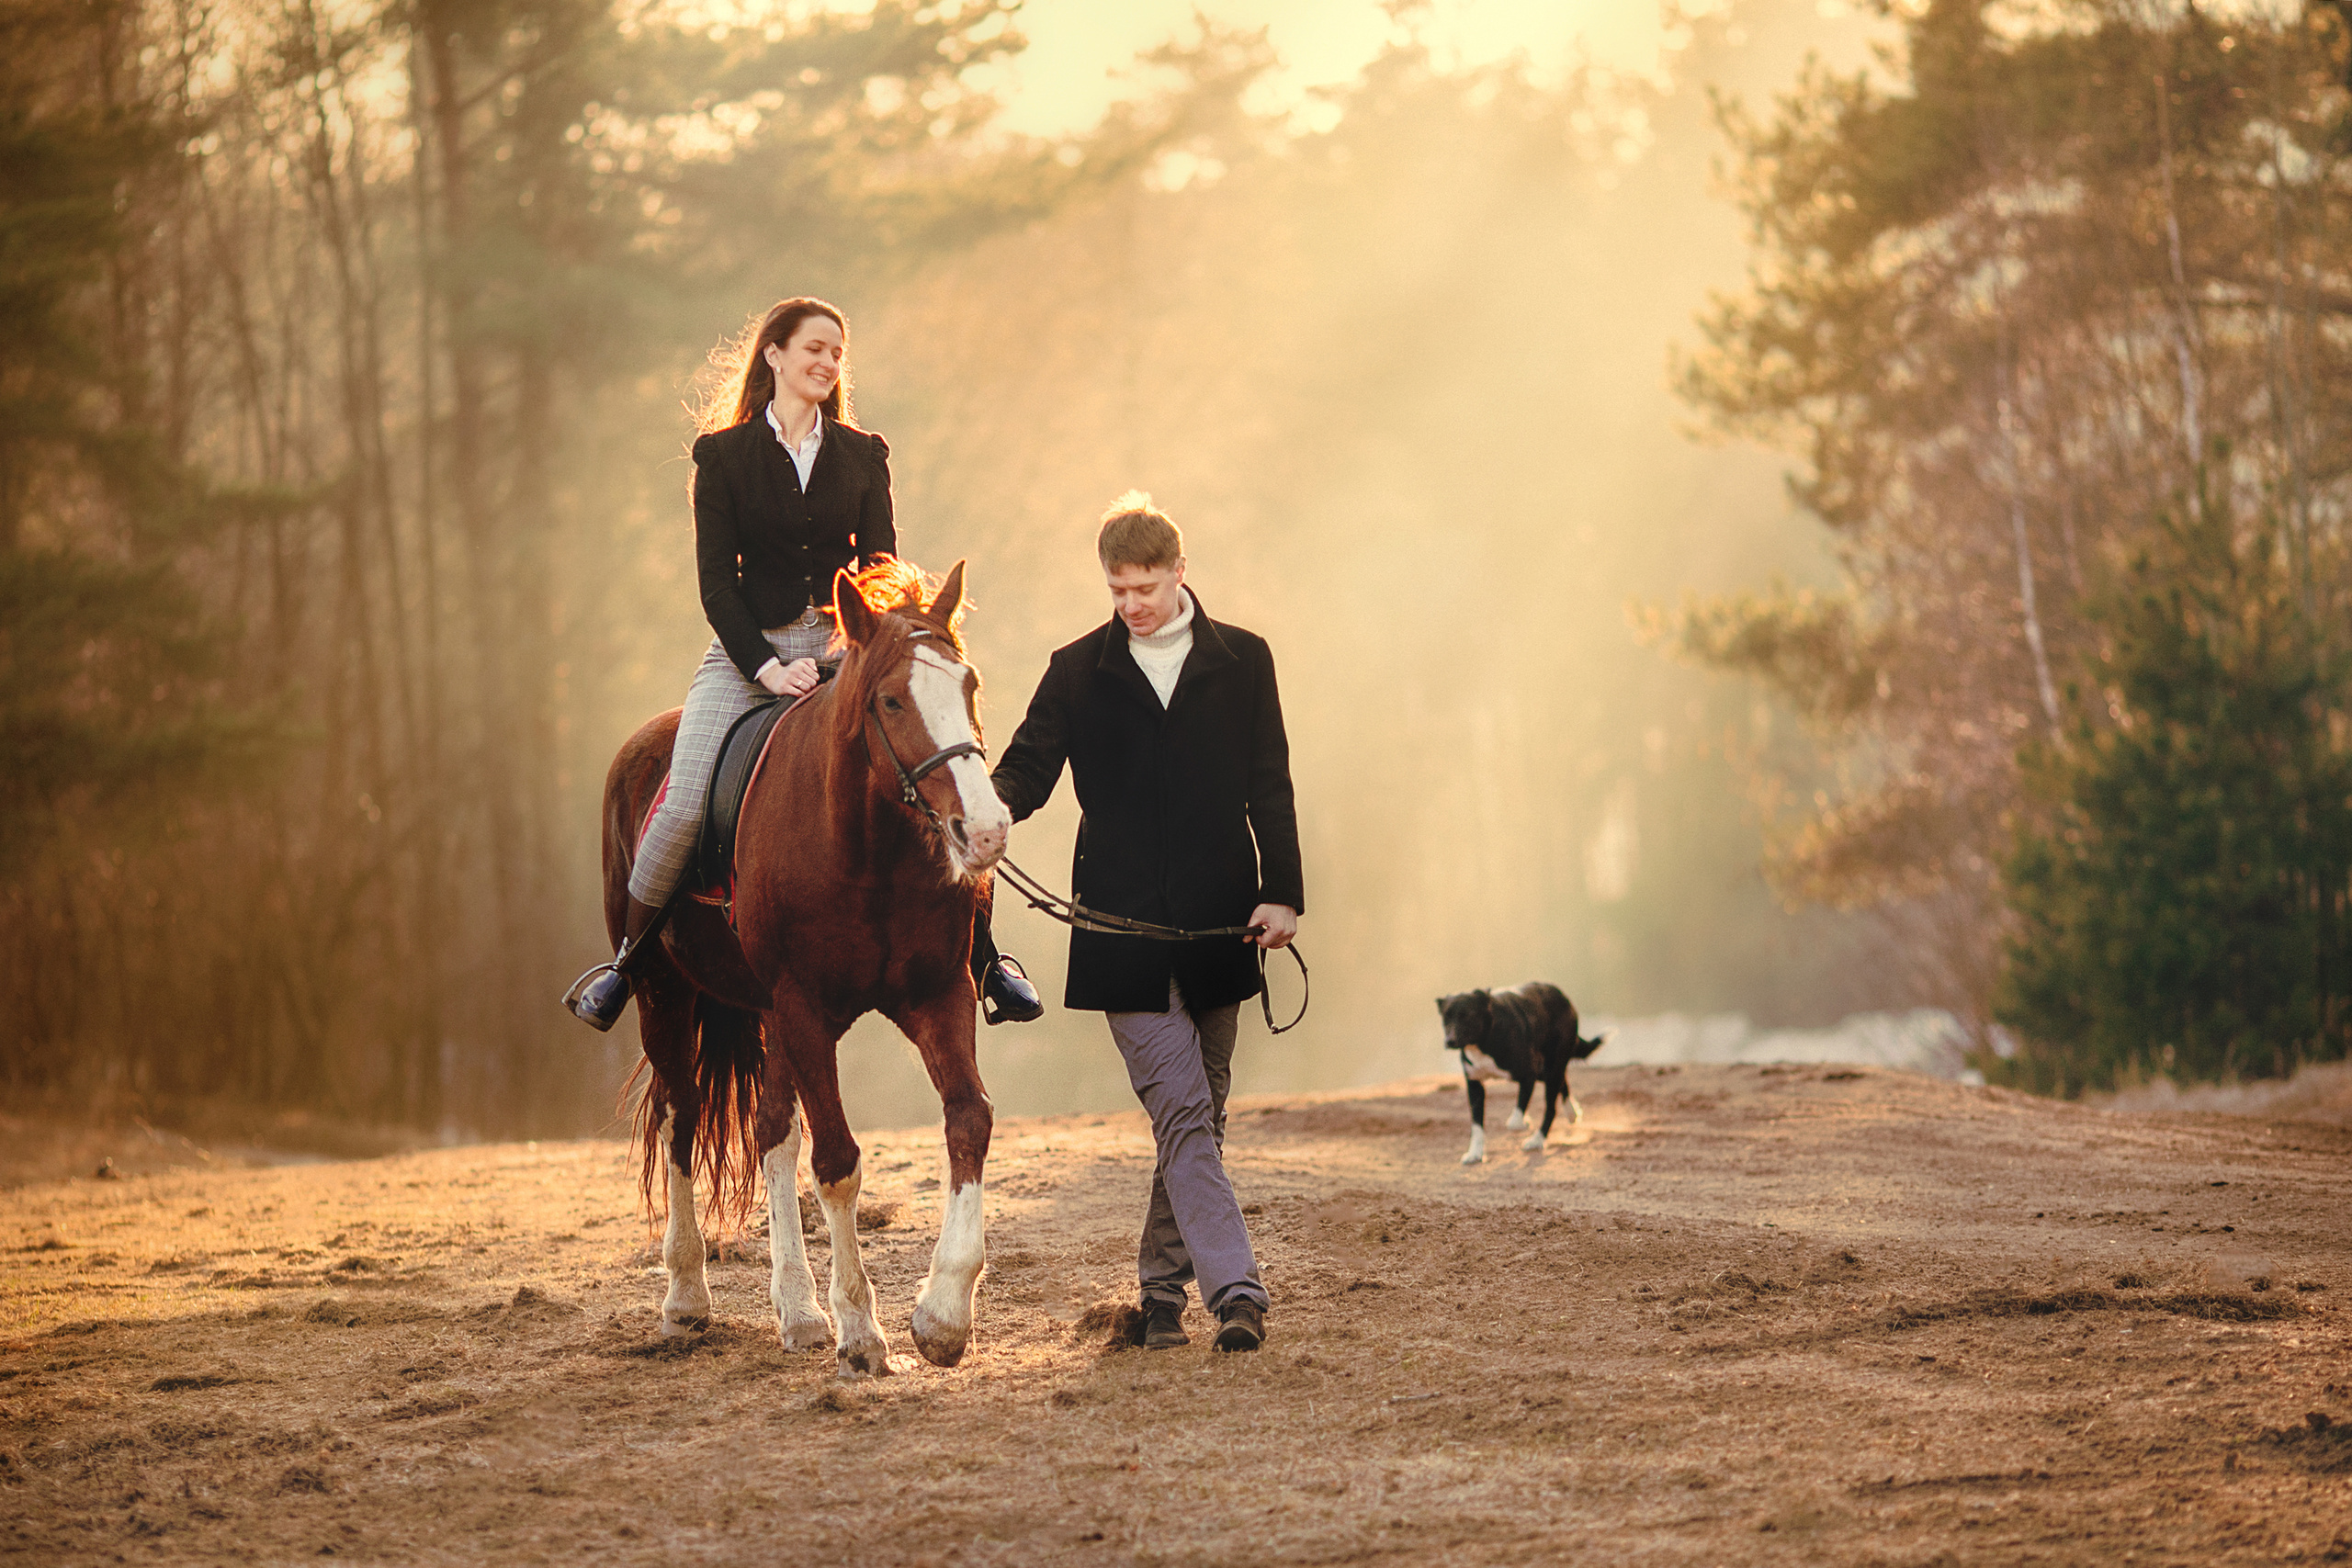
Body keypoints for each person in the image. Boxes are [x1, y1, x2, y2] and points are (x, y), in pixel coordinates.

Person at [567, 297, 1041, 1031]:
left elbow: (879, 569)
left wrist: (846, 653)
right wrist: (764, 668)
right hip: (743, 657)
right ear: (774, 355)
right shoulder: (721, 457)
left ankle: (987, 960)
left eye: (837, 354)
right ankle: (626, 963)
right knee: (683, 805)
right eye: (813, 349)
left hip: (846, 653)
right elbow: (717, 585)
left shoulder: (863, 454)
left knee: (932, 780)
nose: (826, 363)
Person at [989, 493, 1302, 1352]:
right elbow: (1029, 765)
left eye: (1147, 586)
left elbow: (1268, 781)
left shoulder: (1244, 660)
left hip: (1221, 927)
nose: (1133, 604)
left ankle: (1160, 1298)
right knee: (1187, 1110)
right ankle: (1237, 1294)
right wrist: (988, 809)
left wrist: (1285, 893)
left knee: (1200, 1115)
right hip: (1118, 931)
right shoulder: (1077, 668)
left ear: (1179, 571)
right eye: (1119, 587)